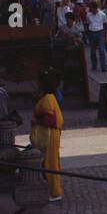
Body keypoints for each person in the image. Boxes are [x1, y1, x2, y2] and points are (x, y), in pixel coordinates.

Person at [31, 73, 64, 201]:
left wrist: (36, 122)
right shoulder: (49, 97)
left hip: (50, 134)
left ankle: (55, 192)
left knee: (51, 163)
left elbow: (50, 119)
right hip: (50, 133)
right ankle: (52, 189)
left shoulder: (49, 98)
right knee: (49, 162)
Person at [84, 0, 107, 72]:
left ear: (96, 8)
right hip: (92, 32)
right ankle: (94, 66)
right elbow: (88, 23)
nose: (93, 10)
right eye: (91, 9)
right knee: (93, 51)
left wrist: (104, 34)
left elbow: (105, 24)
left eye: (93, 9)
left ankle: (103, 66)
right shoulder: (88, 15)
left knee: (101, 50)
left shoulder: (102, 14)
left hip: (100, 32)